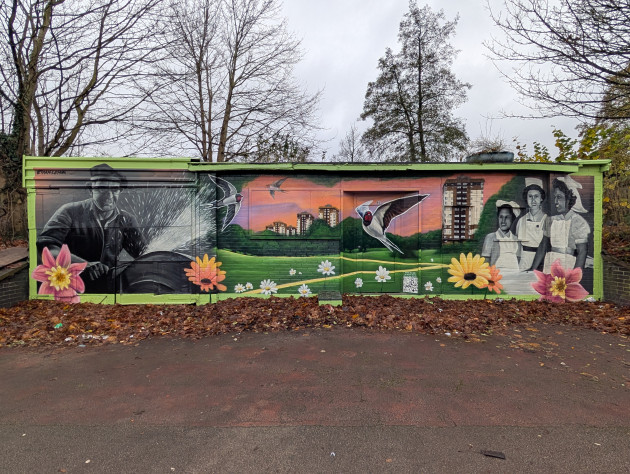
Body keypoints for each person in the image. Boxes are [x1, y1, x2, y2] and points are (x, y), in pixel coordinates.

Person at [37, 163, 145, 293]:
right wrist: (84, 264)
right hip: (70, 289)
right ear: (90, 189)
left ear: (120, 191)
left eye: (114, 190)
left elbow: (142, 254)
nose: (109, 196)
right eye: (101, 189)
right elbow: (46, 247)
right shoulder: (69, 211)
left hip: (109, 290)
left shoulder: (127, 219)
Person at [530, 175, 590, 272]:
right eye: (555, 197)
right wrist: (533, 269)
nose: (555, 202)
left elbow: (582, 252)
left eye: (559, 197)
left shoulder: (578, 222)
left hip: (568, 265)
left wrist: (575, 276)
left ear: (569, 198)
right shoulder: (550, 220)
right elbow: (543, 246)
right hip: (550, 263)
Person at [516, 178, 548, 271]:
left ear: (541, 198)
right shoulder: (521, 220)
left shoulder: (547, 220)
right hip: (523, 261)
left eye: (536, 196)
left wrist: (535, 268)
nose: (533, 200)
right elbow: (518, 246)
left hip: (541, 262)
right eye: (530, 196)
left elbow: (545, 246)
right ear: (526, 198)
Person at [482, 200, 521, 272]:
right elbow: (485, 263)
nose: (503, 221)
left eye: (507, 217)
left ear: (512, 219)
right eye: (501, 217)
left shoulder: (516, 240)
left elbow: (518, 261)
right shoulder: (491, 237)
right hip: (497, 277)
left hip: (514, 277)